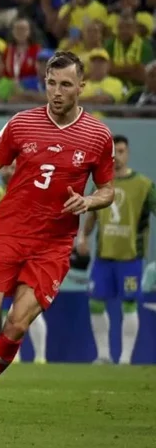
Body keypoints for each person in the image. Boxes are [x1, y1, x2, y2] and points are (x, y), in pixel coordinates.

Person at [0, 51, 115, 420]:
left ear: (81, 87)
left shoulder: (99, 135)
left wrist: (90, 201)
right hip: (10, 232)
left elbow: (108, 189)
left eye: (65, 84)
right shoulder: (21, 124)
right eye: (51, 83)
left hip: (53, 245)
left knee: (17, 323)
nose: (56, 92)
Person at [77, 135, 156, 365]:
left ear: (127, 153)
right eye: (114, 152)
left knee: (129, 303)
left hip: (131, 256)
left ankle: (125, 358)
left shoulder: (144, 185)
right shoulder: (101, 183)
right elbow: (91, 215)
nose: (118, 157)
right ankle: (103, 355)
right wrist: (83, 236)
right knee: (95, 303)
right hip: (103, 255)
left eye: (121, 151)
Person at [0, 161, 48, 364]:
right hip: (3, 260)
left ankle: (41, 356)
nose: (8, 171)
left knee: (27, 308)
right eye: (6, 167)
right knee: (5, 309)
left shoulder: (34, 191)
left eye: (13, 167)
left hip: (29, 259)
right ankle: (13, 357)